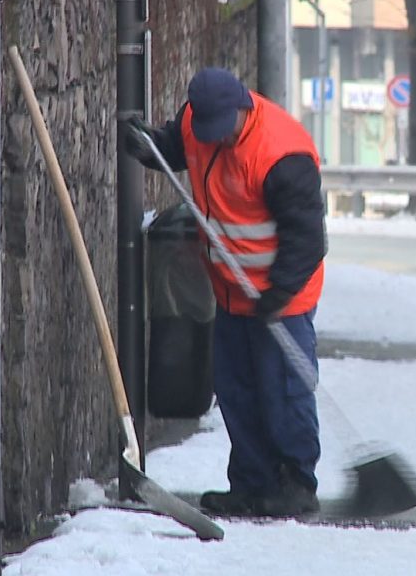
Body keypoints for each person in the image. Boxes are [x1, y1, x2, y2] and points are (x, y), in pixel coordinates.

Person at [124, 67, 326, 518]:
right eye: (206, 130)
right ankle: (251, 483)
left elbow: (309, 238)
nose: (215, 139)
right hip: (232, 290)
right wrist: (148, 145)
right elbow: (176, 150)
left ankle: (295, 483)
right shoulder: (199, 125)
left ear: (242, 107)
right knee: (236, 389)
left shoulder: (281, 153)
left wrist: (279, 292)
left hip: (282, 296)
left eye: (223, 130)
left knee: (284, 389)